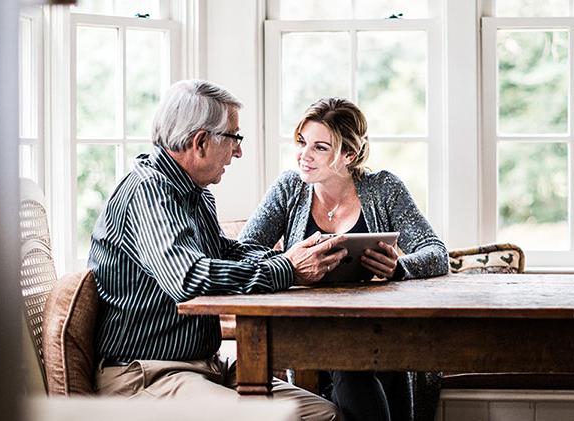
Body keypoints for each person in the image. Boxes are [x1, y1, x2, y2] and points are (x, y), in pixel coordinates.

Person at [88, 80, 348, 421]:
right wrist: (287, 269)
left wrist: (295, 257)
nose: (238, 152)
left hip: (203, 365)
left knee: (324, 413)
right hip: (148, 373)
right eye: (234, 138)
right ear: (200, 142)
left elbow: (225, 253)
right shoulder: (150, 193)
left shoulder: (194, 193)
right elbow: (189, 277)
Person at [239, 97, 449, 421]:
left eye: (320, 147)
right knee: (348, 360)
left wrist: (400, 268)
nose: (303, 156)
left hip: (380, 330)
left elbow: (436, 253)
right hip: (314, 332)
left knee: (358, 363)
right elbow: (244, 252)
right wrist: (290, 261)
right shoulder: (289, 188)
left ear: (348, 154)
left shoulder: (383, 188)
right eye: (302, 142)